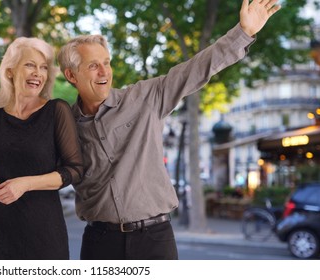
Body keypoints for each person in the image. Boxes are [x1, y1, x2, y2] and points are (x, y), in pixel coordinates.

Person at [57, 0, 280, 260]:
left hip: (154, 240)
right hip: (99, 242)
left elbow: (196, 69)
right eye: (93, 65)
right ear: (71, 76)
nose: (104, 71)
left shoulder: (144, 97)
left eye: (106, 62)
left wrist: (243, 32)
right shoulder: (62, 124)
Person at [0, 37, 83, 260]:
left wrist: (25, 184)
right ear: (10, 71)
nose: (38, 73)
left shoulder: (57, 111)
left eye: (43, 68)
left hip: (42, 236)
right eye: (30, 65)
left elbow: (75, 170)